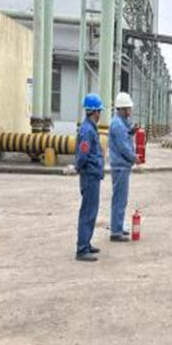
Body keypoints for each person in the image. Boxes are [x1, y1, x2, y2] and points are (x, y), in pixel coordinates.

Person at [75, 93, 105, 262]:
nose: (100, 114)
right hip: (89, 175)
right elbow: (83, 153)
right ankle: (82, 249)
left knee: (91, 211)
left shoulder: (90, 128)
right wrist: (79, 167)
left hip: (93, 174)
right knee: (88, 211)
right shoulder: (87, 130)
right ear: (94, 111)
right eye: (99, 111)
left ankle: (86, 243)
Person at [108, 92, 139, 242]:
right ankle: (116, 231)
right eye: (128, 108)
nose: (130, 111)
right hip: (120, 166)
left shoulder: (120, 122)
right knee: (119, 199)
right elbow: (124, 147)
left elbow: (125, 134)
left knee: (121, 199)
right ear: (122, 109)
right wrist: (134, 158)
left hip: (121, 166)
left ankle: (118, 226)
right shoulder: (118, 125)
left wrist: (131, 131)